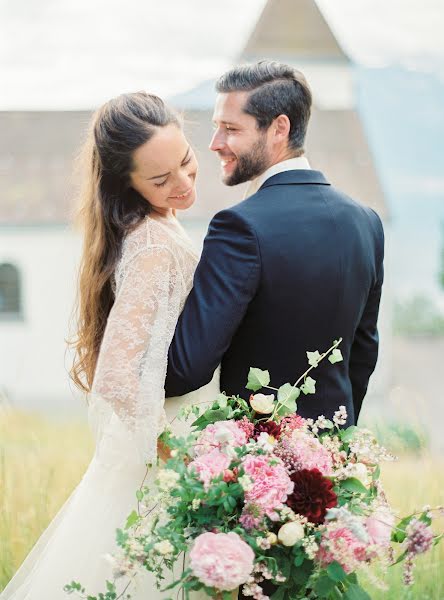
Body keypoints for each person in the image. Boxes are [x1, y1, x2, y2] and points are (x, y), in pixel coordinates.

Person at [1, 92, 214, 599]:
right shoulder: (151, 245)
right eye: (161, 180)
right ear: (127, 183)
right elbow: (116, 374)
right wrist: (175, 456)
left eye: (186, 161)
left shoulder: (159, 223)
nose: (182, 183)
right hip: (171, 454)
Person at [165, 60, 385, 428]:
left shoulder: (237, 227)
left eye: (231, 129)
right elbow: (362, 356)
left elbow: (188, 368)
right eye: (217, 127)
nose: (215, 143)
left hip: (254, 466)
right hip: (336, 467)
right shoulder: (366, 222)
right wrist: (334, 448)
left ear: (279, 128)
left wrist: (124, 360)